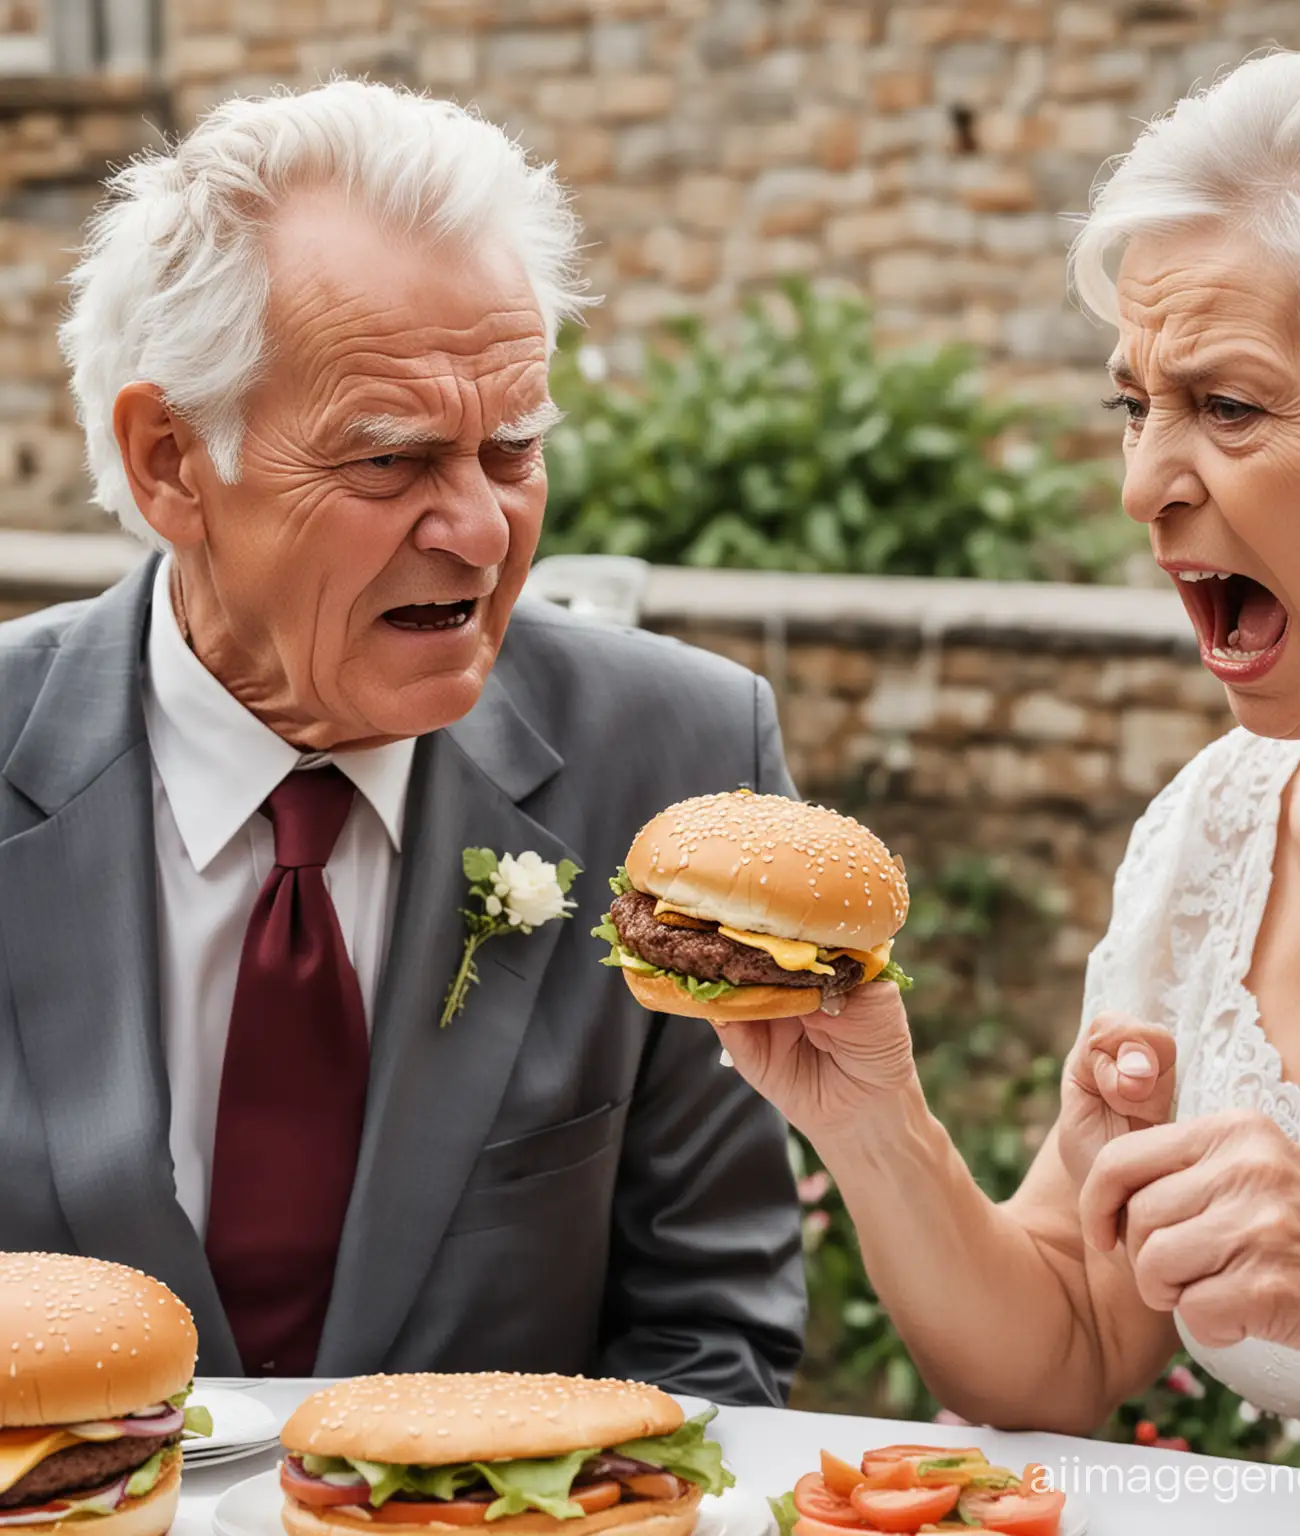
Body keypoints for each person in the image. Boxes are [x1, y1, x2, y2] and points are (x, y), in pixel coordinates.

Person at [715, 14, 1300, 1501]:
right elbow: (1065, 1345)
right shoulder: (1217, 833)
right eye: (1134, 404)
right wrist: (874, 1119)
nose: (1147, 483)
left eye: (1227, 405)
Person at [0, 80, 805, 1400]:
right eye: (390, 462)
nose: (483, 533)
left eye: (513, 449)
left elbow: (709, 1341)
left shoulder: (675, 760)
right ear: (169, 463)